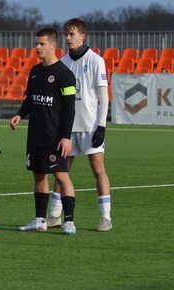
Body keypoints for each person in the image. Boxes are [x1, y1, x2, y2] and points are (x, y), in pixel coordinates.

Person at [47, 18, 112, 232]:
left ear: (83, 36)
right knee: (61, 171)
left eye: (72, 34)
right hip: (67, 128)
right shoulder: (63, 62)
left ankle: (105, 218)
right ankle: (55, 215)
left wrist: (101, 126)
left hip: (90, 126)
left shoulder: (96, 61)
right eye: (66, 34)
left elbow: (104, 96)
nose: (68, 38)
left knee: (98, 169)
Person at [10, 28, 77, 235]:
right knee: (39, 176)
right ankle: (40, 220)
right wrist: (20, 115)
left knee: (62, 176)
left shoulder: (65, 74)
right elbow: (30, 99)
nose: (37, 47)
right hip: (35, 135)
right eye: (36, 44)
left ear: (53, 46)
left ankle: (69, 222)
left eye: (41, 44)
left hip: (55, 137)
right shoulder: (35, 71)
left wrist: (66, 137)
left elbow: (69, 108)